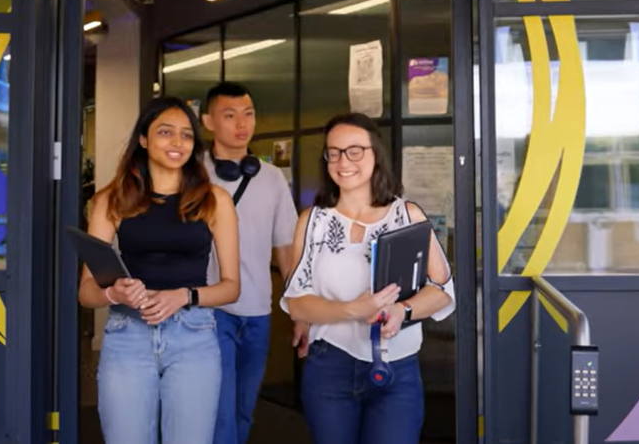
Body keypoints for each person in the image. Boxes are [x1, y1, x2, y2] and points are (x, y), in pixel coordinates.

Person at [281, 113, 455, 444]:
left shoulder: (407, 215)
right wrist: (352, 310)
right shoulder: (313, 221)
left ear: (376, 154)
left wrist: (403, 310)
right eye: (334, 152)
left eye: (355, 151)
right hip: (328, 367)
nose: (343, 161)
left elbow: (443, 289)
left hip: (397, 368)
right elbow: (296, 303)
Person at [78, 96, 241, 443]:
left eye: (186, 135)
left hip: (194, 336)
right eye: (166, 132)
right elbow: (86, 293)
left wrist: (184, 296)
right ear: (144, 139)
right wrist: (113, 292)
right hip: (127, 335)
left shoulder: (215, 200)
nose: (177, 143)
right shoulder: (112, 199)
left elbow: (231, 288)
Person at [200, 82, 303, 444]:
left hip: (257, 310)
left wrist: (297, 309)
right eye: (230, 116)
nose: (242, 124)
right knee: (221, 412)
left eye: (248, 114)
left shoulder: (273, 178)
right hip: (210, 311)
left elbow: (286, 249)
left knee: (244, 409)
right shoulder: (192, 174)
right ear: (209, 121)